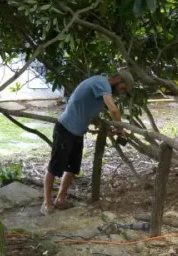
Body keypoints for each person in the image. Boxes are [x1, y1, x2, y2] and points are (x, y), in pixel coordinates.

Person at [42, 67, 134, 213]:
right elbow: (114, 110)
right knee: (54, 167)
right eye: (124, 87)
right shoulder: (102, 83)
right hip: (65, 129)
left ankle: (61, 199)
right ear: (118, 79)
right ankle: (46, 204)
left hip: (77, 133)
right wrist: (121, 128)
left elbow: (87, 109)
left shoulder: (100, 86)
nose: (123, 91)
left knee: (73, 168)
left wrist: (106, 128)